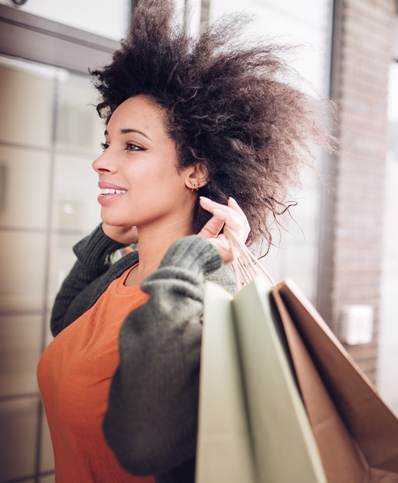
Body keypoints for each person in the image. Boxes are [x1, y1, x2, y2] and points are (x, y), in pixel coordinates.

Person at [35, 0, 334, 481]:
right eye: (106, 143)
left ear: (195, 170)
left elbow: (145, 444)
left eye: (131, 146)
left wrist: (187, 261)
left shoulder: (204, 297)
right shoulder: (129, 269)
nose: (102, 162)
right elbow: (66, 327)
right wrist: (103, 240)